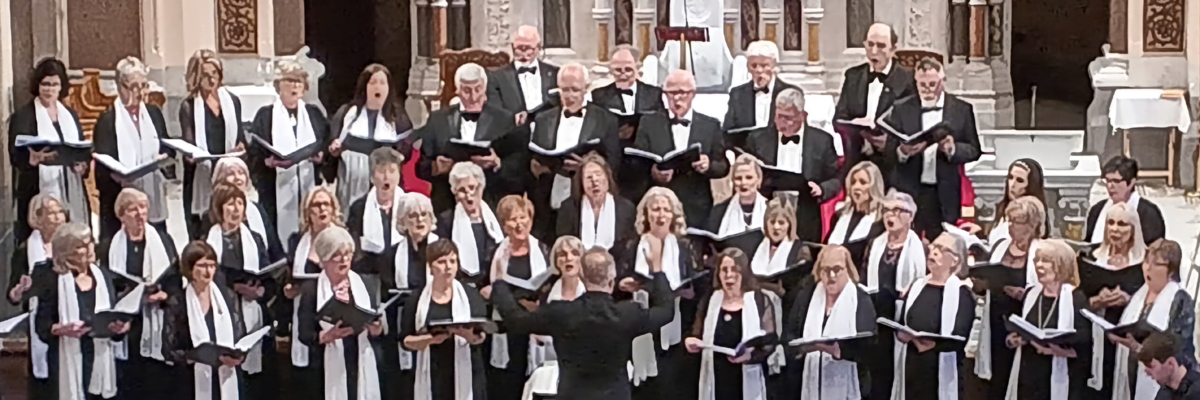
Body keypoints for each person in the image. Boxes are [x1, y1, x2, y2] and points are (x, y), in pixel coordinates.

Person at [492, 245, 675, 400]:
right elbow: (666, 312)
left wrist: (499, 283)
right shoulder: (627, 313)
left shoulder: (562, 312)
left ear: (583, 277)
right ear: (611, 280)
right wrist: (658, 271)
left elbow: (515, 319)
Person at [616, 186, 703, 400]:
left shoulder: (684, 246)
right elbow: (618, 281)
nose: (661, 215)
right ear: (646, 214)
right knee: (646, 387)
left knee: (673, 384)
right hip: (643, 323)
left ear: (674, 215)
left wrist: (690, 292)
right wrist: (623, 285)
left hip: (678, 323)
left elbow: (698, 283)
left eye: (666, 209)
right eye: (655, 209)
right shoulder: (633, 244)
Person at [881, 57, 981, 239]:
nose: (927, 89)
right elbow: (888, 153)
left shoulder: (961, 109)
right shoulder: (901, 108)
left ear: (943, 81)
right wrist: (903, 152)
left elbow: (974, 149)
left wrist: (952, 149)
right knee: (908, 240)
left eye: (933, 84)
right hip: (910, 187)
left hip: (944, 190)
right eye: (922, 84)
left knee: (944, 241)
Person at [99, 188, 180, 399]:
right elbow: (106, 286)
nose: (140, 214)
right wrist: (133, 299)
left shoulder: (163, 240)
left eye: (143, 208)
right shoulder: (108, 247)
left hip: (158, 320)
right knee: (131, 384)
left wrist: (165, 297)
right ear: (121, 215)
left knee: (158, 383)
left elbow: (175, 280)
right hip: (128, 325)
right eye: (133, 210)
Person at [35, 222, 128, 400]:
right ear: (66, 252)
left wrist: (119, 329)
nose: (90, 248)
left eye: (90, 242)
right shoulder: (52, 281)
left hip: (100, 356)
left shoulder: (104, 276)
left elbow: (114, 317)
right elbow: (42, 326)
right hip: (68, 357)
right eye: (81, 246)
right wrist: (63, 329)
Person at [529, 63, 621, 237]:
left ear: (586, 89)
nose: (569, 96)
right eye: (564, 90)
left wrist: (587, 166)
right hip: (550, 196)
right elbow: (536, 153)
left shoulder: (604, 119)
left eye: (575, 90)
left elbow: (614, 160)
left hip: (588, 197)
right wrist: (539, 166)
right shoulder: (544, 119)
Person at [416, 63, 522, 214]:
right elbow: (421, 166)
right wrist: (436, 167)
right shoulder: (438, 119)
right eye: (466, 91)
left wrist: (497, 164)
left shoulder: (504, 119)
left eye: (477, 89)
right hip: (447, 203)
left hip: (490, 201)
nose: (473, 97)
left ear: (484, 89)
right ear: (457, 90)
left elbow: (517, 165)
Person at [204, 183, 277, 398]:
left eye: (239, 203)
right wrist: (235, 287)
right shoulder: (207, 243)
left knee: (257, 384)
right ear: (219, 208)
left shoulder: (254, 239)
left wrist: (260, 292)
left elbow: (269, 279)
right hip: (222, 317)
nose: (236, 209)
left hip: (253, 316)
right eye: (230, 203)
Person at [295, 227, 386, 399]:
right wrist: (327, 336)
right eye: (337, 255)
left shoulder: (364, 283)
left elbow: (377, 326)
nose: (344, 260)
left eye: (348, 254)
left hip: (360, 355)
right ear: (324, 258)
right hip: (325, 363)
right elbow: (304, 334)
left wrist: (376, 329)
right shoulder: (312, 290)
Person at [631, 70, 730, 227]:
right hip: (660, 207)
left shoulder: (710, 125)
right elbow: (636, 163)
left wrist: (708, 165)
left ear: (693, 94)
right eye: (671, 93)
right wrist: (654, 172)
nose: (677, 98)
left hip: (697, 207)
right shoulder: (649, 123)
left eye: (682, 92)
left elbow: (723, 166)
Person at [743, 88, 841, 243]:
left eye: (787, 118)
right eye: (778, 116)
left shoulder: (821, 141)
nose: (781, 123)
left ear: (803, 116)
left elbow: (836, 178)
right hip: (767, 209)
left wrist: (822, 189)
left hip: (804, 210)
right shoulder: (757, 139)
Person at [249, 60, 329, 245]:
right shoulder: (266, 115)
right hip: (274, 185)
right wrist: (266, 162)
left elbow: (324, 141)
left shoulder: (313, 114)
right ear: (279, 86)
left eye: (299, 82)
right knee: (277, 232)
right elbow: (255, 150)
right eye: (290, 81)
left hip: (308, 180)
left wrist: (321, 156)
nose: (295, 85)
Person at [9, 58, 89, 240]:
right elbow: (15, 155)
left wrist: (82, 166)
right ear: (37, 84)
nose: (49, 89)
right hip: (37, 188)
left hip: (70, 187)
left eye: (54, 84)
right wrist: (32, 159)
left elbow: (80, 149)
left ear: (61, 86)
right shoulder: (24, 116)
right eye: (45, 84)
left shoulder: (70, 115)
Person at [399, 239, 490, 400]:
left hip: (467, 371)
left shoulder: (470, 296)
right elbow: (405, 341)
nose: (448, 266)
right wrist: (429, 339)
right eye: (441, 262)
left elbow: (481, 335)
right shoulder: (416, 299)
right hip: (433, 370)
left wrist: (468, 335)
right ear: (430, 267)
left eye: (452, 261)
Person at [889, 231, 976, 400]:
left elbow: (960, 336)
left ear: (955, 260)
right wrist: (904, 334)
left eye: (942, 249)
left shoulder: (961, 293)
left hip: (939, 368)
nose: (934, 251)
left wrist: (930, 345)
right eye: (934, 246)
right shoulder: (916, 286)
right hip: (912, 365)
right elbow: (902, 321)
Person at [785, 245, 878, 399]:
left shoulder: (861, 299)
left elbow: (870, 346)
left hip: (850, 381)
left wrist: (838, 351)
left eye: (837, 269)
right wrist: (801, 349)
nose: (831, 275)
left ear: (847, 269)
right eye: (826, 270)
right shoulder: (806, 296)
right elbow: (790, 335)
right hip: (808, 377)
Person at [974, 196, 1044, 398]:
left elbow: (1047, 289)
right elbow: (989, 278)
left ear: (1033, 225)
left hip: (1023, 322)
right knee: (998, 377)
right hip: (996, 320)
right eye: (1009, 220)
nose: (1011, 226)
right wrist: (981, 284)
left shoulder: (1040, 251)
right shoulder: (1000, 247)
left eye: (1017, 222)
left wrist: (1026, 295)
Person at [1003, 239, 1091, 400]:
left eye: (1046, 261)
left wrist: (1057, 350)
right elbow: (1019, 326)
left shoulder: (1075, 298)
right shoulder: (1031, 294)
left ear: (1062, 265)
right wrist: (1013, 339)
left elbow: (1085, 343)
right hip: (1030, 373)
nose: (1039, 265)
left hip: (1062, 373)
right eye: (1037, 260)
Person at [683, 248, 776, 400]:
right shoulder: (710, 300)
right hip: (716, 375)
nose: (729, 275)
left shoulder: (759, 300)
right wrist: (691, 341)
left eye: (734, 269)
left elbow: (770, 342)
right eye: (724, 270)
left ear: (744, 273)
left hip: (746, 374)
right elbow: (696, 333)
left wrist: (749, 356)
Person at [93, 56, 170, 239]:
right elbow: (101, 164)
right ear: (120, 87)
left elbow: (167, 145)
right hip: (119, 198)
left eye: (143, 86)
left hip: (152, 193)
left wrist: (165, 157)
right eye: (133, 87)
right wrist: (117, 175)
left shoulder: (154, 114)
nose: (139, 92)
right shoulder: (108, 120)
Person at [1108, 239, 1196, 400]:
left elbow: (1178, 346)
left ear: (1170, 270)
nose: (1148, 267)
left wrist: (1140, 347)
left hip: (1165, 382)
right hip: (1131, 370)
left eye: (1156, 263)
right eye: (1146, 261)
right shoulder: (1139, 296)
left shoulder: (1180, 300)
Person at [860, 189, 925, 399]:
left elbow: (923, 281)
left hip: (902, 317)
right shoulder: (875, 244)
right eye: (887, 210)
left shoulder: (920, 248)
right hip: (876, 315)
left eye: (897, 210)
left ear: (911, 216)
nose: (890, 215)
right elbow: (864, 276)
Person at [1079, 201, 1147, 399]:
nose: (1115, 229)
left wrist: (1130, 300)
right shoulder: (1091, 257)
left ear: (1133, 229)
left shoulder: (1145, 262)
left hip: (1129, 339)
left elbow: (1154, 299)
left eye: (1122, 224)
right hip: (1094, 337)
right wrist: (1094, 302)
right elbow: (1076, 297)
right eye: (1111, 223)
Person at [485, 195, 551, 400]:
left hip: (535, 323)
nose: (519, 224)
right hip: (508, 326)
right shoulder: (495, 254)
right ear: (504, 226)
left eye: (523, 217)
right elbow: (486, 289)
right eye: (513, 219)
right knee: (510, 382)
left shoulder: (543, 250)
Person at [165, 241, 248, 400]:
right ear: (190, 269)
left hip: (227, 376)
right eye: (202, 265)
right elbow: (169, 349)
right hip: (192, 382)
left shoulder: (227, 297)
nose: (208, 271)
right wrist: (196, 356)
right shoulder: (179, 301)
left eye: (211, 265)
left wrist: (238, 355)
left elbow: (240, 335)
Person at [281, 186, 342, 400]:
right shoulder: (297, 241)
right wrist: (289, 289)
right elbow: (289, 276)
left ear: (334, 209)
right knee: (308, 379)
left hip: (334, 313)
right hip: (306, 315)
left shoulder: (343, 240)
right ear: (308, 212)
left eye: (327, 204)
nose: (322, 209)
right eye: (317, 205)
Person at [328, 63, 415, 209]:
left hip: (385, 180)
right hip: (352, 181)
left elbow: (406, 152)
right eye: (373, 82)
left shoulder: (398, 117)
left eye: (382, 83)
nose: (377, 87)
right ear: (365, 87)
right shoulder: (348, 113)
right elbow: (332, 146)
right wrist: (334, 149)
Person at [179, 49, 246, 239]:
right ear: (196, 77)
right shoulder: (189, 106)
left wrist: (241, 147)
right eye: (205, 75)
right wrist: (191, 156)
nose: (211, 79)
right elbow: (188, 142)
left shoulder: (232, 101)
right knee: (202, 233)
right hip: (201, 175)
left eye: (214, 73)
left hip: (227, 173)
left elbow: (240, 137)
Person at [833, 23, 916, 176]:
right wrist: (856, 125)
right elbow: (838, 119)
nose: (874, 51)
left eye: (881, 46)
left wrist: (889, 144)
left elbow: (912, 126)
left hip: (893, 166)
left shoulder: (907, 79)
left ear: (893, 49)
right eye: (870, 44)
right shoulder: (853, 76)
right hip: (857, 161)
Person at [7, 194, 65, 400]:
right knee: (45, 381)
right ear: (38, 218)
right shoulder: (25, 251)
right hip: (41, 320)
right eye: (52, 213)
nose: (59, 217)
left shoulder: (70, 245)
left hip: (69, 316)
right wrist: (20, 289)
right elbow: (12, 296)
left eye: (60, 211)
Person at [590, 46, 666, 185]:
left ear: (637, 67)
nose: (623, 74)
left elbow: (661, 126)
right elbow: (594, 129)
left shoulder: (654, 94)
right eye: (618, 70)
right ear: (611, 70)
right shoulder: (600, 95)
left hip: (645, 163)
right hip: (613, 161)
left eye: (628, 69)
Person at [435, 162, 505, 288]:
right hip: (462, 286)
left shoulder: (496, 217)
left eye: (472, 187)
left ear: (481, 188)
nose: (468, 195)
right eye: (462, 190)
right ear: (454, 192)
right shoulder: (446, 222)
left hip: (496, 286)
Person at [723, 41, 801, 149]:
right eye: (754, 66)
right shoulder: (738, 94)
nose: (759, 70)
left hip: (780, 152)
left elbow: (798, 129)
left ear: (773, 65)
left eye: (764, 65)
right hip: (747, 154)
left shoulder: (791, 93)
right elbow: (728, 131)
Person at [556, 153, 637, 255]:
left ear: (607, 177)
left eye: (598, 174)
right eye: (589, 177)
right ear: (581, 182)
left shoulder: (626, 208)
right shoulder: (569, 208)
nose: (595, 181)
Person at [346, 147, 406, 277]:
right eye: (381, 171)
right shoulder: (359, 208)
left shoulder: (408, 204)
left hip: (402, 272)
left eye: (392, 171)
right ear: (372, 177)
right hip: (369, 274)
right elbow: (355, 249)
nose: (387, 177)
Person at [487, 25, 561, 125]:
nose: (523, 53)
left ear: (538, 48)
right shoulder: (496, 77)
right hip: (514, 132)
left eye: (528, 48)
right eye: (519, 48)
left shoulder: (555, 73)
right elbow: (494, 110)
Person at [1084, 156, 1166, 245]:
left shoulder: (1149, 214)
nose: (1110, 186)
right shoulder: (1097, 210)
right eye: (1108, 180)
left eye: (1116, 181)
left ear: (1131, 183)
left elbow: (1154, 251)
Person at [962, 158, 1047, 244]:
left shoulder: (1031, 215)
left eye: (1020, 180)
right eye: (1010, 177)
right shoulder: (1003, 207)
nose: (1012, 184)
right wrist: (980, 233)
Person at [210, 157, 278, 252]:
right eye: (231, 174)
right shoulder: (211, 214)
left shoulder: (257, 209)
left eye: (241, 173)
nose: (237, 177)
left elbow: (274, 248)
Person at [826, 161, 886, 267]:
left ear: (874, 186)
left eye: (863, 182)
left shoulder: (880, 220)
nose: (856, 187)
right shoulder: (840, 214)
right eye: (853, 182)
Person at [706, 153, 769, 235]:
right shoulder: (718, 211)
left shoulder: (770, 209)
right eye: (738, 178)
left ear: (759, 180)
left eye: (749, 177)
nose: (743, 182)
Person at [394, 193, 442, 293]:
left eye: (424, 214)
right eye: (412, 216)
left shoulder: (443, 250)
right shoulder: (392, 253)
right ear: (403, 222)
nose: (420, 220)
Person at [1139, 332, 1200, 400]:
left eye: (1151, 366)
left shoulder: (1196, 391)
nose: (1147, 374)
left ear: (1171, 363)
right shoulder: (1165, 390)